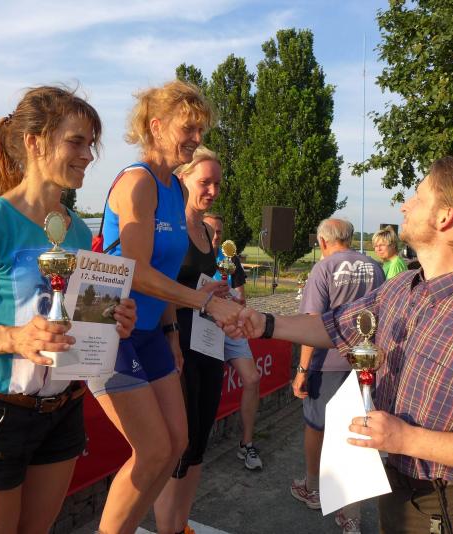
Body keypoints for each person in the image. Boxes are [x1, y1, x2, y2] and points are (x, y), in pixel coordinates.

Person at [229, 157, 453, 534]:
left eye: (418, 196)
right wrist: (266, 323)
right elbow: (336, 326)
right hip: (397, 487)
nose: (404, 206)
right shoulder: (403, 287)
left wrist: (407, 438)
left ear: (445, 217)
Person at [0, 86, 137, 534]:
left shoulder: (77, 231)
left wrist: (110, 319)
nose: (88, 156)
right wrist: (14, 338)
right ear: (35, 143)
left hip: (62, 408)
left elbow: (70, 317)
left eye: (91, 144)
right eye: (76, 142)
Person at [88, 81, 244, 534]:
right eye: (188, 128)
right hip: (109, 326)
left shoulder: (175, 187)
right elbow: (136, 271)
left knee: (178, 444)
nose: (196, 138)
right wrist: (203, 302)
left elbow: (168, 271)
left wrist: (173, 331)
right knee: (154, 450)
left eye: (201, 130)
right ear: (156, 127)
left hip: (151, 331)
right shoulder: (137, 181)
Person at [152, 147, 239, 534]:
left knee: (200, 440)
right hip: (176, 344)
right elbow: (157, 288)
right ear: (182, 178)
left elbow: (202, 288)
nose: (213, 190)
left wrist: (218, 295)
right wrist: (188, 309)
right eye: (205, 182)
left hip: (208, 342)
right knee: (177, 447)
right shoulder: (167, 228)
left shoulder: (206, 231)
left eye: (217, 183)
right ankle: (167, 528)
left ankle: (181, 524)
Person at [289, 218, 384, 533]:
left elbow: (311, 323)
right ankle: (351, 513)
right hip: (365, 364)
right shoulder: (374, 267)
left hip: (327, 361)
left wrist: (302, 369)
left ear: (322, 241)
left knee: (316, 426)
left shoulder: (324, 268)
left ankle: (313, 488)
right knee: (357, 432)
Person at [203, 212, 264, 471]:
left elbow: (241, 299)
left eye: (219, 231)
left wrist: (233, 300)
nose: (215, 236)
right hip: (202, 328)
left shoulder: (229, 258)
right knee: (204, 389)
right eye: (210, 230)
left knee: (252, 379)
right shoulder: (191, 253)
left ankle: (246, 444)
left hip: (230, 326)